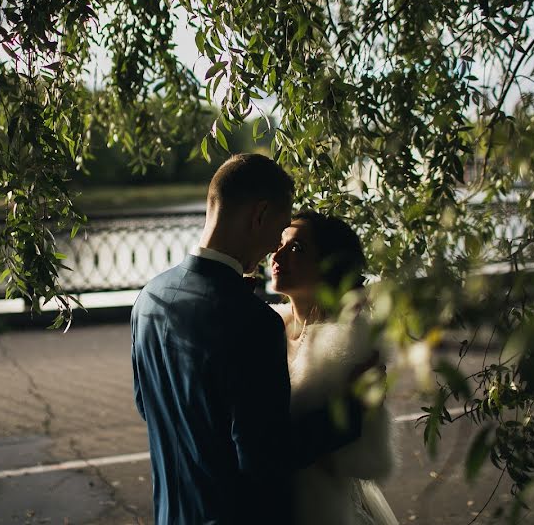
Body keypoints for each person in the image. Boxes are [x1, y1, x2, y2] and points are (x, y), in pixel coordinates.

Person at [131, 154, 368, 525]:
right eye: (280, 226)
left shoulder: (148, 298)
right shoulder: (254, 323)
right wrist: (351, 410)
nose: (277, 244)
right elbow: (264, 459)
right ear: (259, 215)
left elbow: (149, 405)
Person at [270, 210, 398, 525]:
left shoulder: (352, 342)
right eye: (281, 243)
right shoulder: (269, 325)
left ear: (329, 266)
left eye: (297, 248)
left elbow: (368, 456)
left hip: (322, 508)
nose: (278, 255)